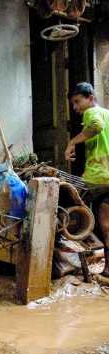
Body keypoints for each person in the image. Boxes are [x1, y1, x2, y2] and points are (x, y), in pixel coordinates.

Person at [65, 82, 109, 276]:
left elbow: (97, 126)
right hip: (105, 177)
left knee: (68, 213)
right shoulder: (108, 113)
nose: (76, 108)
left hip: (98, 178)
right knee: (106, 223)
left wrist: (72, 141)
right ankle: (106, 268)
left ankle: (73, 259)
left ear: (90, 98)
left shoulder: (91, 113)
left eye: (77, 102)